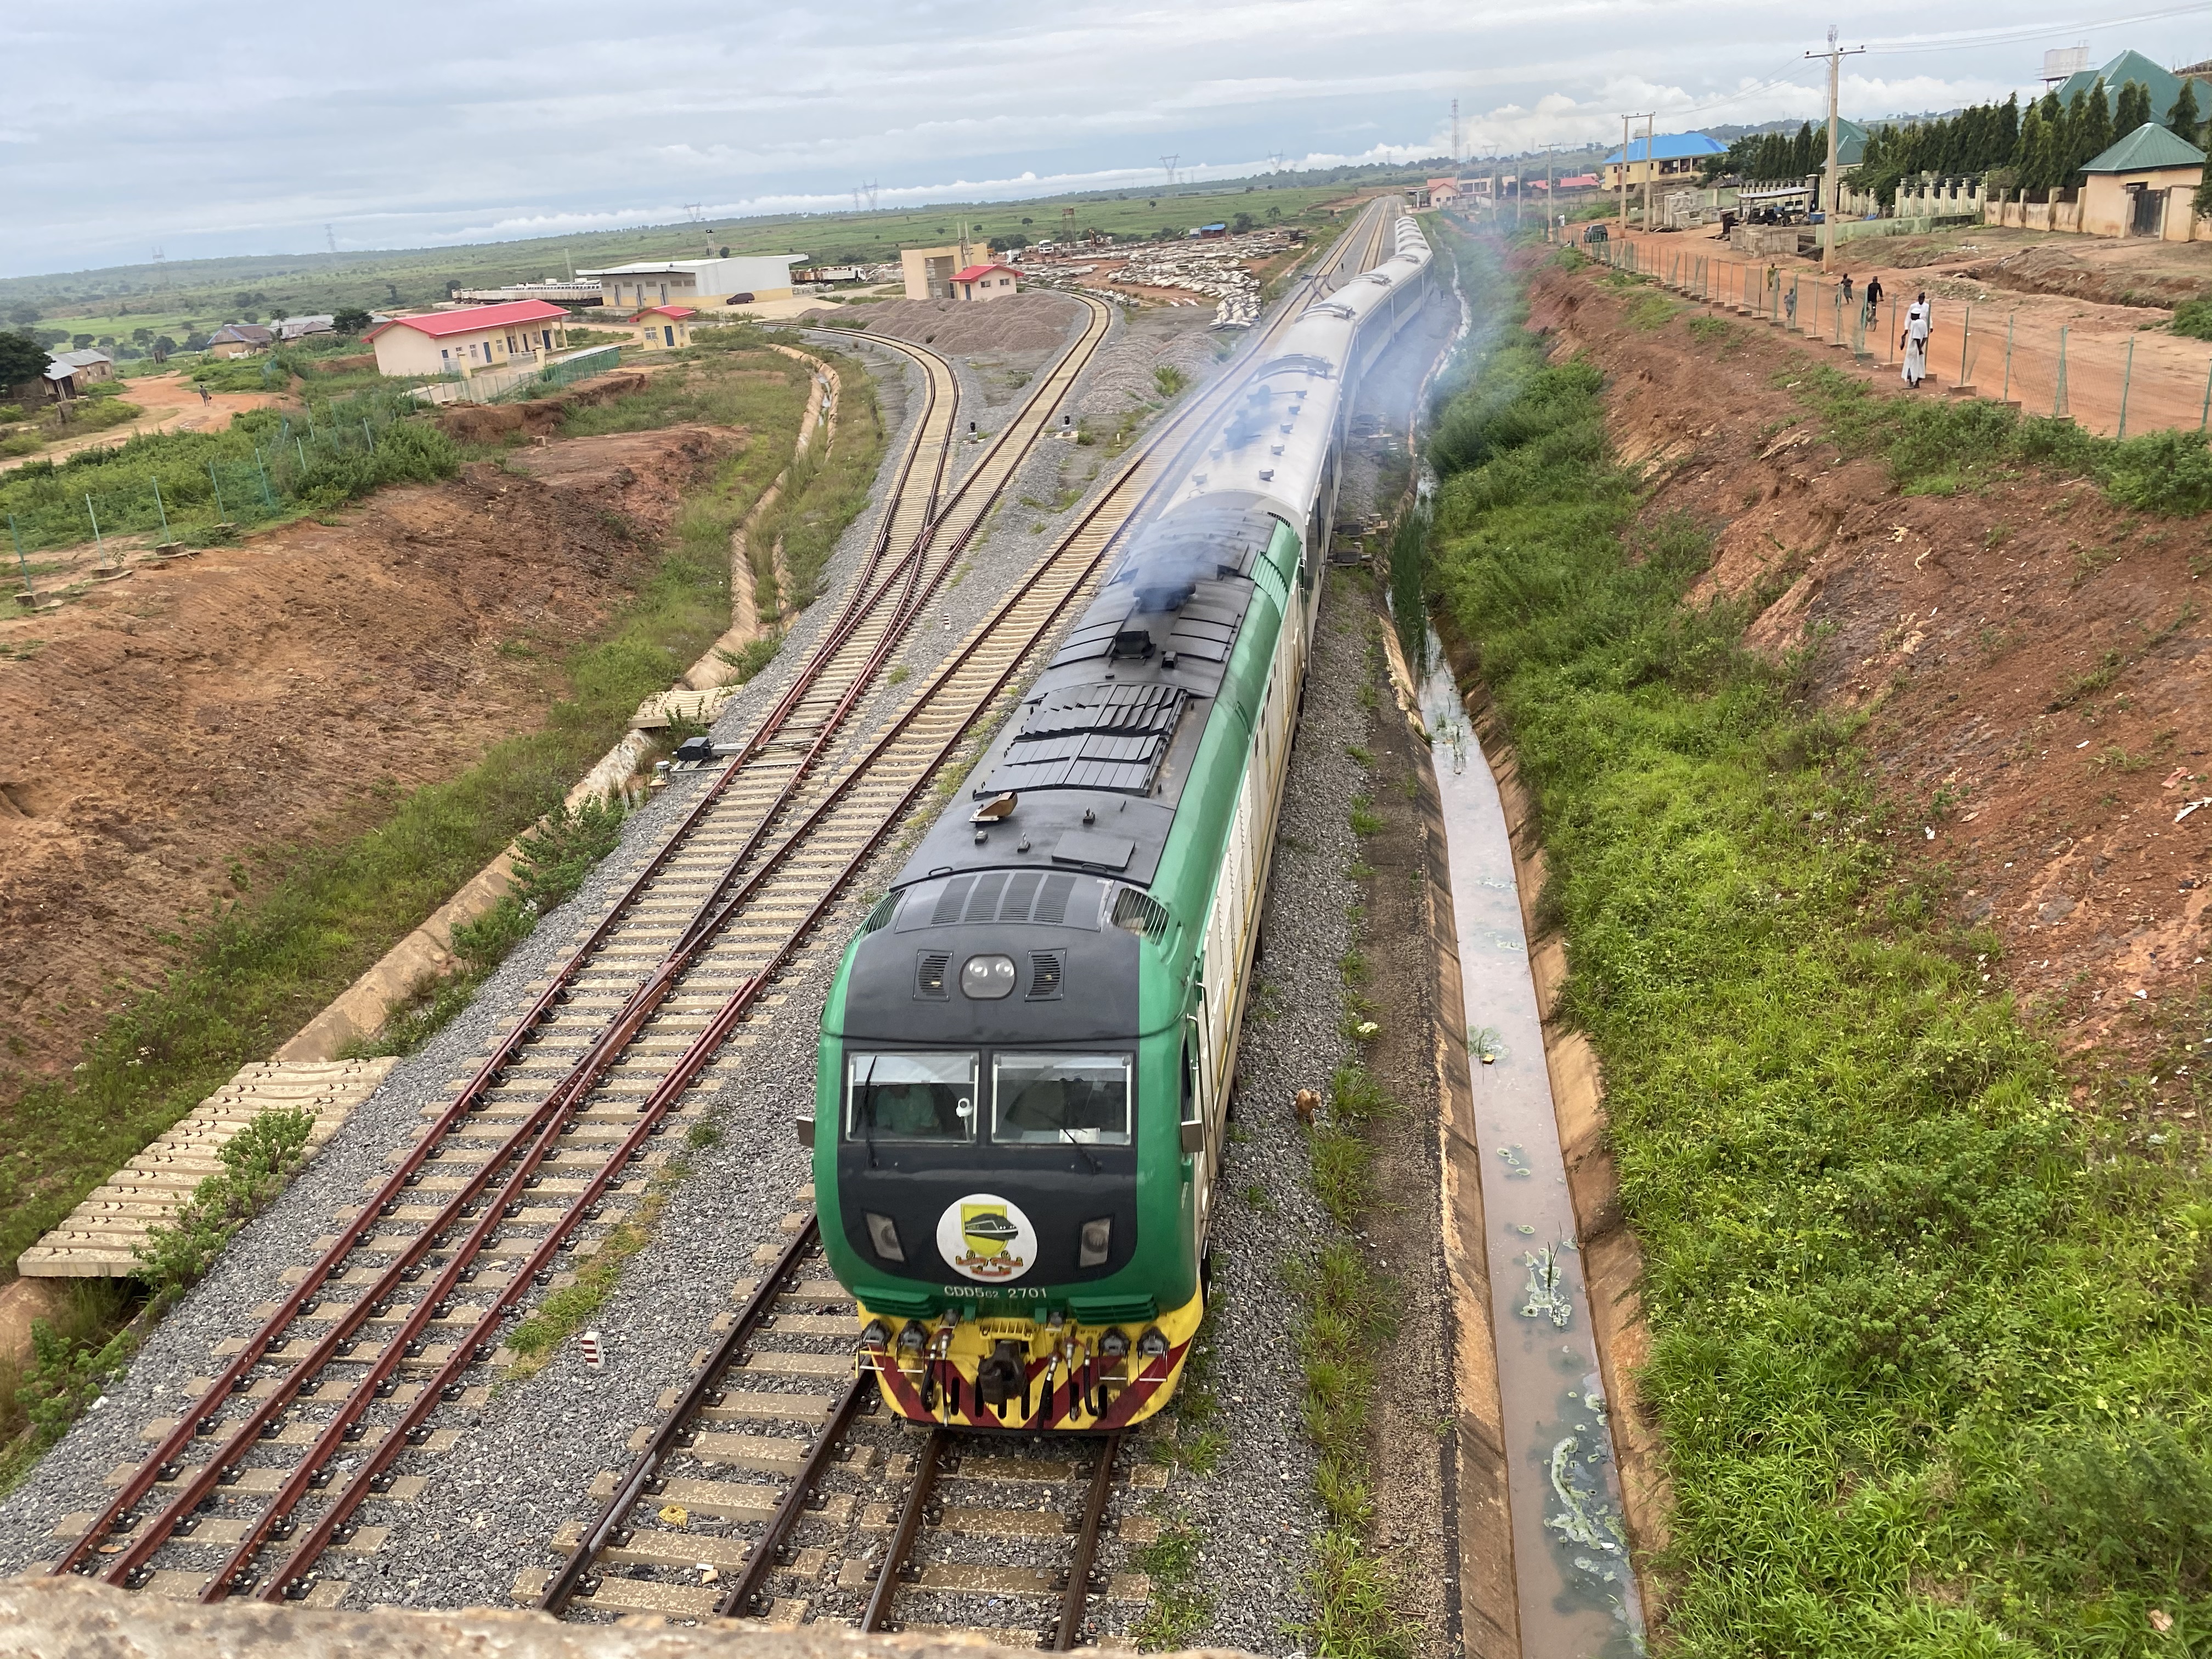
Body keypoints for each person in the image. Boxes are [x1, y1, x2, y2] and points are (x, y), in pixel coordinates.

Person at [1900, 293, 1932, 388]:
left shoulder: (1915, 324)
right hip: (1921, 345)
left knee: (1911, 363)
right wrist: (1922, 347)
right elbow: (1925, 336)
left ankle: (1911, 383)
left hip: (1914, 346)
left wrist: (1919, 348)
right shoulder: (1923, 323)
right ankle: (1917, 383)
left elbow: (1917, 338)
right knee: (1920, 363)